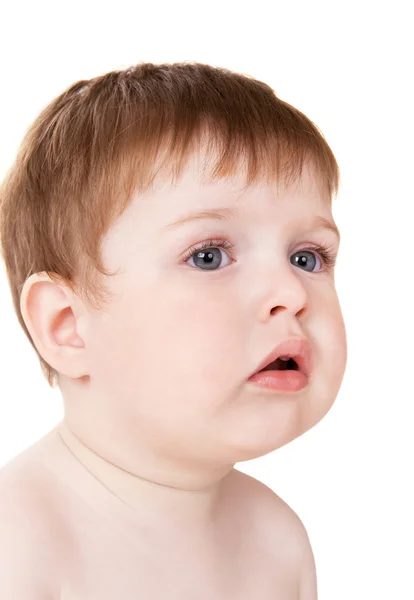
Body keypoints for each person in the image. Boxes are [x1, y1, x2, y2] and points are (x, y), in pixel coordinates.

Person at [0, 61, 347, 599]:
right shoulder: (19, 544)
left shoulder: (276, 542)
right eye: (209, 256)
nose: (292, 293)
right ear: (67, 325)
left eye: (308, 257)